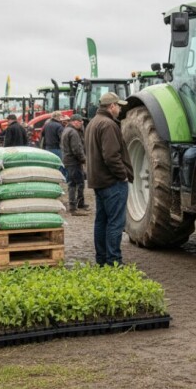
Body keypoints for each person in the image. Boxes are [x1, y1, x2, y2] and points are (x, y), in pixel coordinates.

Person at [85, 91, 133, 266]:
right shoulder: (108, 125)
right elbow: (111, 156)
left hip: (98, 180)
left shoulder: (92, 123)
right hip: (112, 182)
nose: (119, 109)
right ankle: (114, 261)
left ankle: (101, 259)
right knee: (115, 223)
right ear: (112, 106)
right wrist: (123, 176)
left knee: (101, 221)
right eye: (118, 106)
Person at [61, 114, 90, 216]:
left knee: (75, 182)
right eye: (80, 121)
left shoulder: (67, 130)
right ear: (74, 122)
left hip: (69, 160)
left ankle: (79, 204)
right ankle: (73, 207)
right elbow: (76, 149)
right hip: (73, 161)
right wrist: (83, 159)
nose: (81, 123)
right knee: (75, 184)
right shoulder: (73, 133)